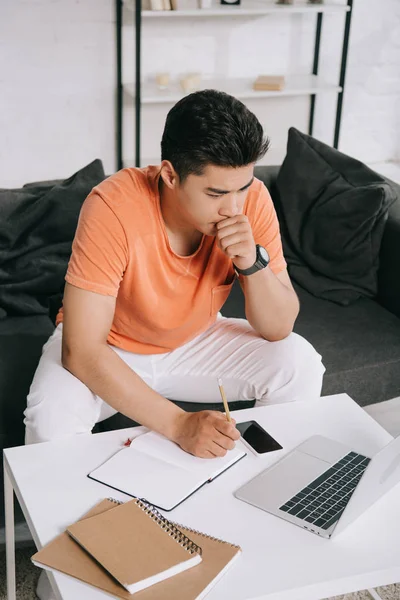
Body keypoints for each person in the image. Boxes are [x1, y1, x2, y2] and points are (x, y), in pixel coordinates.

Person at [24, 89, 325, 457]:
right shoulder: (112, 206)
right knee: (49, 422)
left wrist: (251, 262)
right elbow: (82, 350)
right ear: (170, 174)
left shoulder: (253, 199)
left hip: (194, 339)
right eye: (215, 194)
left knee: (299, 363)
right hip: (110, 347)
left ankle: (255, 485)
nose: (233, 208)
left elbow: (278, 328)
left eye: (241, 188)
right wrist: (178, 424)